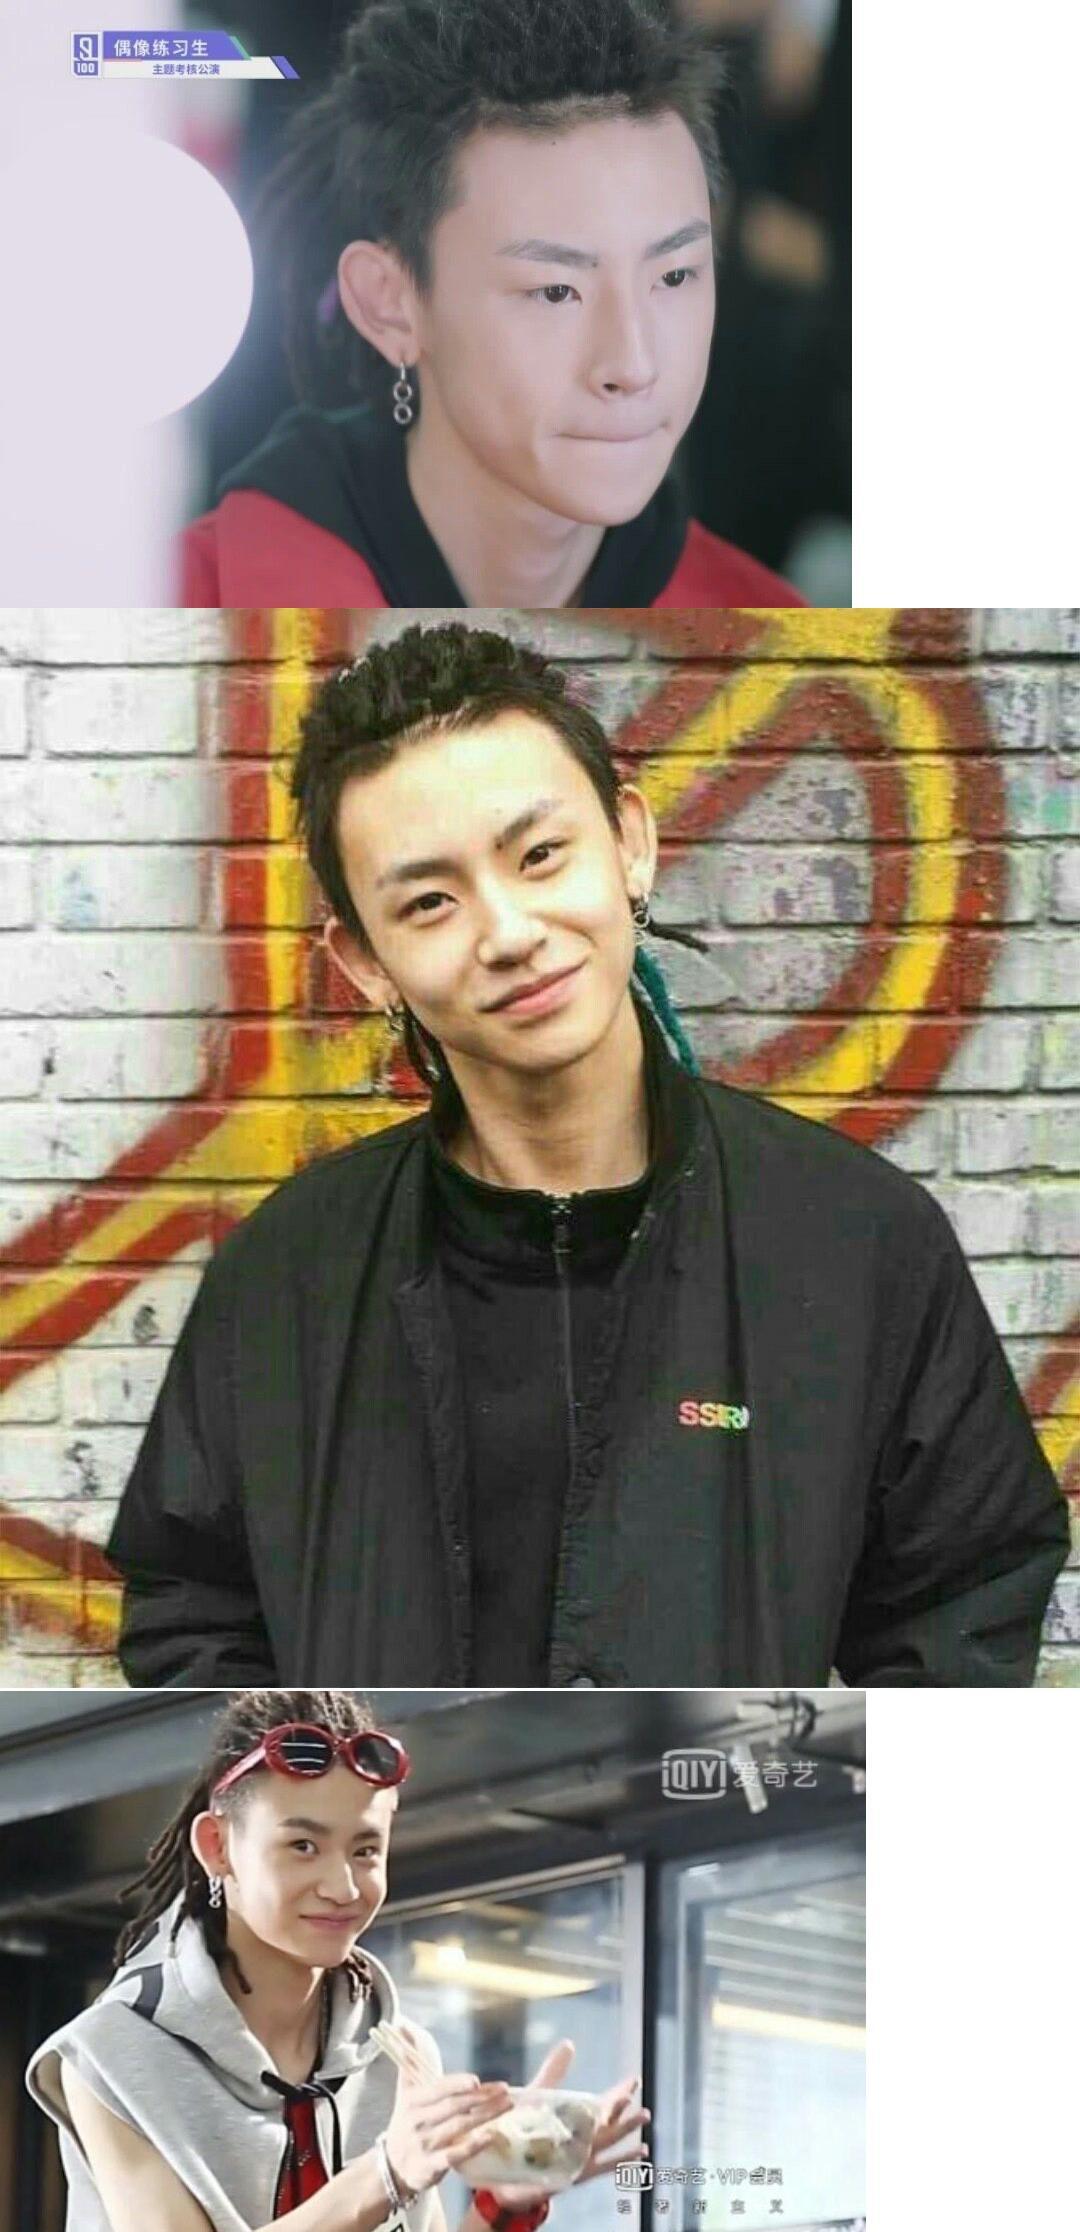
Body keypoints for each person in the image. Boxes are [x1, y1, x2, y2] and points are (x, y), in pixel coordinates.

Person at [105, 623, 1070, 1689]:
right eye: (430, 902)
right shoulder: (287, 1275)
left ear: (630, 844)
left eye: (539, 856)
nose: (509, 932)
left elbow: (962, 1605)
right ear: (367, 961)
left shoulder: (854, 1241)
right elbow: (190, 1609)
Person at [179, 0, 806, 611]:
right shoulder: (186, 614)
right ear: (388, 304)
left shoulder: (767, 642)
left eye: (673, 276)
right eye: (555, 291)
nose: (634, 365)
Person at [26, 1688, 648, 2232]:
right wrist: (387, 2173)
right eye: (303, 1845)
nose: (343, 1887)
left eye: (366, 1850)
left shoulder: (399, 2054)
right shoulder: (113, 2054)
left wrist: (507, 2204)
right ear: (218, 1847)